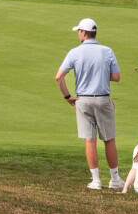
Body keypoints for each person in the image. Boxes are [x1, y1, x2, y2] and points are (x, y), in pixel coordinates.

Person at [53, 17, 123, 190]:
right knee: (109, 140)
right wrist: (100, 74)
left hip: (83, 100)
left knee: (90, 140)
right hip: (103, 99)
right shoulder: (107, 51)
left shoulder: (75, 52)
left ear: (84, 33)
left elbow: (59, 77)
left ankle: (96, 180)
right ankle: (115, 179)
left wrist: (67, 96)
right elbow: (116, 77)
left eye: (79, 31)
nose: (78, 34)